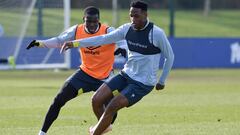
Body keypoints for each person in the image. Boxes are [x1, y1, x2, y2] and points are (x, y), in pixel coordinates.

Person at [61, 1, 174, 135]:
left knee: (112, 106)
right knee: (96, 100)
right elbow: (102, 39)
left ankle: (97, 131)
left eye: (136, 16)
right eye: (131, 15)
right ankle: (104, 127)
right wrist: (75, 43)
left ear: (145, 14)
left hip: (142, 83)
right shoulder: (127, 29)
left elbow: (170, 56)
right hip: (126, 75)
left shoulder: (156, 33)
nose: (133, 19)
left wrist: (162, 81)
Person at [26, 6, 127, 135]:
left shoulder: (108, 31)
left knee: (112, 110)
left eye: (94, 21)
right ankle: (42, 133)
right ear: (83, 19)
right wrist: (39, 43)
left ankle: (100, 128)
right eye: (88, 21)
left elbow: (123, 41)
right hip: (84, 74)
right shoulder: (76, 30)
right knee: (58, 100)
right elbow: (59, 41)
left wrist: (122, 48)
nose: (91, 24)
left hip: (105, 77)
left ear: (99, 21)